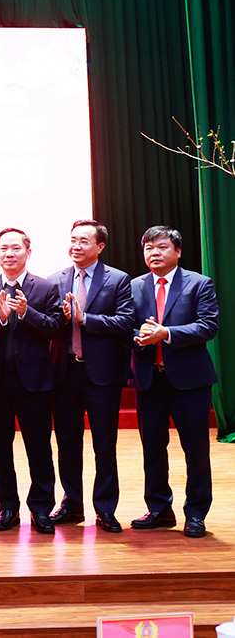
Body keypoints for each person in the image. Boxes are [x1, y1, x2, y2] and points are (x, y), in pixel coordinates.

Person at [127, 226, 219, 538]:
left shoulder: (199, 283)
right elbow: (126, 326)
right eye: (149, 248)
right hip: (150, 380)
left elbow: (208, 326)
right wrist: (138, 337)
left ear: (177, 251)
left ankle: (196, 514)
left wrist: (166, 333)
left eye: (162, 247)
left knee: (195, 450)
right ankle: (158, 509)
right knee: (153, 448)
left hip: (190, 381)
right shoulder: (135, 286)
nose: (154, 253)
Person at [48, 219, 134, 532]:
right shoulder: (55, 280)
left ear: (99, 246)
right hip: (65, 372)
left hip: (101, 374)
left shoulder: (118, 280)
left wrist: (86, 319)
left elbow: (125, 322)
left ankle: (106, 508)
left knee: (104, 443)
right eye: (72, 240)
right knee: (67, 442)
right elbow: (49, 325)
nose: (76, 246)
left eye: (84, 241)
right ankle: (71, 504)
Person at [0, 228, 62, 534]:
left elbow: (54, 327)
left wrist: (27, 313)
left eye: (15, 248)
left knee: (38, 447)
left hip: (35, 382)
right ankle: (7, 507)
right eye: (3, 249)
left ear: (28, 251)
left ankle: (41, 509)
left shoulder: (47, 287)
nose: (9, 254)